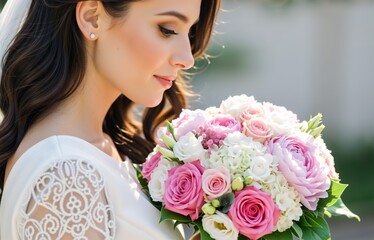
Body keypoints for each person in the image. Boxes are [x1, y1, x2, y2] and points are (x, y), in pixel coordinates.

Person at [0, 0, 221, 239]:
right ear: (92, 17)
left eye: (189, 33)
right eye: (167, 29)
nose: (187, 58)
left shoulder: (101, 148)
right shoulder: (67, 177)